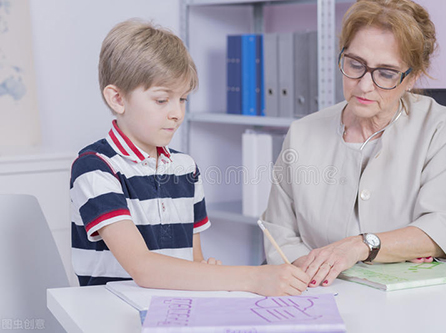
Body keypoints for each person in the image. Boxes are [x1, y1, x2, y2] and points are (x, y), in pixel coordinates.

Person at [70, 19, 309, 296]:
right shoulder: (95, 168)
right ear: (117, 99)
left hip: (172, 311)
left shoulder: (185, 168)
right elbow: (143, 268)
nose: (177, 113)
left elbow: (192, 260)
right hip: (109, 315)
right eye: (162, 100)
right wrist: (251, 278)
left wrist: (207, 271)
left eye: (182, 99)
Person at [261, 0, 446, 288]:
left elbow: (445, 226)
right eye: (355, 64)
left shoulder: (441, 127)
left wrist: (360, 246)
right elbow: (279, 235)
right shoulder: (302, 133)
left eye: (386, 73)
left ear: (411, 77)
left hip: (427, 293)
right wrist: (321, 275)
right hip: (329, 293)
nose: (364, 85)